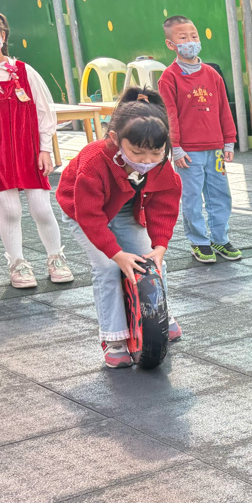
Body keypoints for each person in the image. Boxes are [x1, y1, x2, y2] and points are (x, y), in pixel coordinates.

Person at [56, 88, 183, 369]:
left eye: (155, 152)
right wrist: (115, 253)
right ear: (115, 139)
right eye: (137, 152)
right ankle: (113, 337)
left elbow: (164, 207)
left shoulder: (161, 165)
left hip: (125, 209)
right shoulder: (94, 160)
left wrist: (159, 246)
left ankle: (160, 316)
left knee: (150, 262)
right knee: (107, 267)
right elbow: (90, 216)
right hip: (83, 211)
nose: (147, 160)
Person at [0, 7, 73, 289]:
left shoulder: (24, 71)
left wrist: (45, 149)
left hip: (29, 150)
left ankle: (56, 258)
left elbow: (44, 112)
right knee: (10, 210)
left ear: (2, 35)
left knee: (41, 208)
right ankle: (17, 264)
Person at [157, 15, 240, 264]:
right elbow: (170, 115)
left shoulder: (212, 74)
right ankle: (199, 242)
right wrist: (176, 148)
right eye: (183, 38)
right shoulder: (169, 77)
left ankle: (220, 239)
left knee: (220, 195)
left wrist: (228, 141)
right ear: (171, 44)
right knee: (192, 198)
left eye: (194, 36)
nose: (190, 42)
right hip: (188, 153)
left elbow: (224, 109)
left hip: (215, 149)